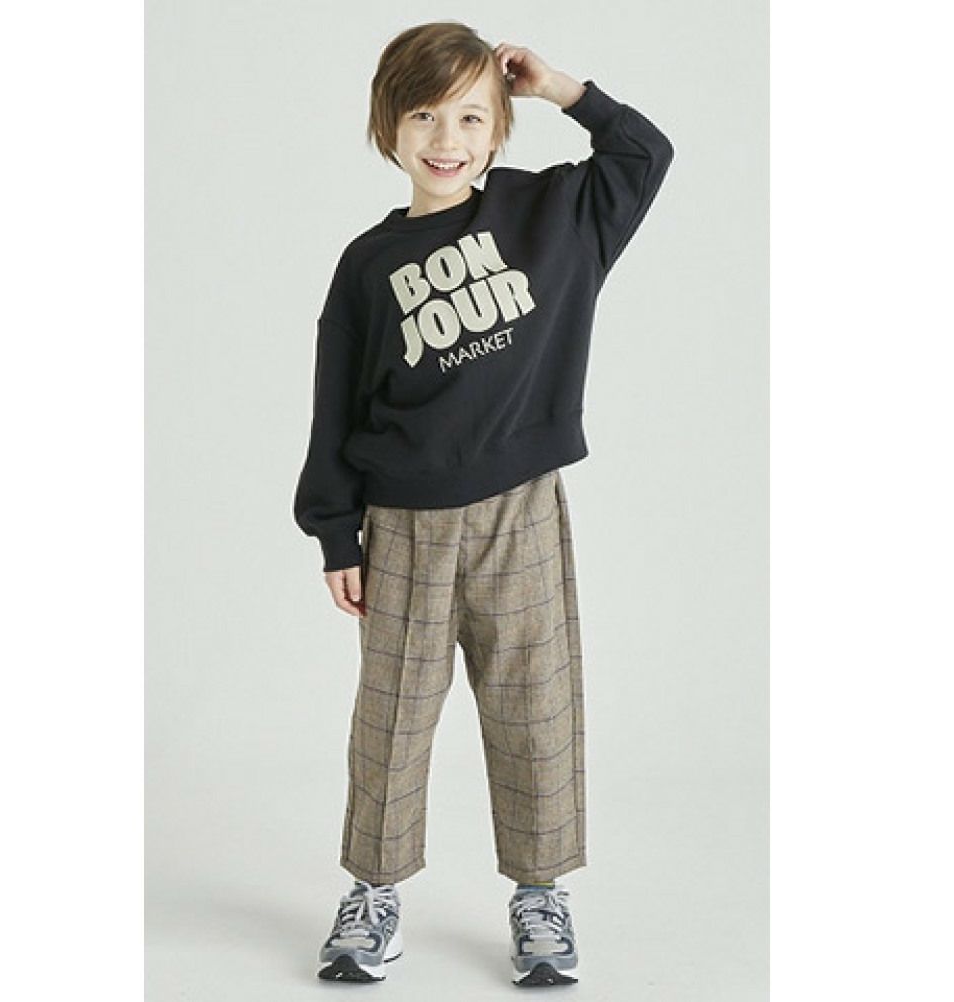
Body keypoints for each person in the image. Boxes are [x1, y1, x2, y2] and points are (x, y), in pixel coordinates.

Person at [292, 20, 674, 987]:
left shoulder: (552, 216)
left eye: (470, 116)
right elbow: (336, 402)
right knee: (393, 720)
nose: (446, 138)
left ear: (500, 126)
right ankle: (373, 893)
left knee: (535, 709)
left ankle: (541, 894)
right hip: (404, 525)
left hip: (522, 515)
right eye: (423, 116)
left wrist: (562, 89)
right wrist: (336, 531)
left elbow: (645, 153)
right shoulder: (368, 264)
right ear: (388, 126)